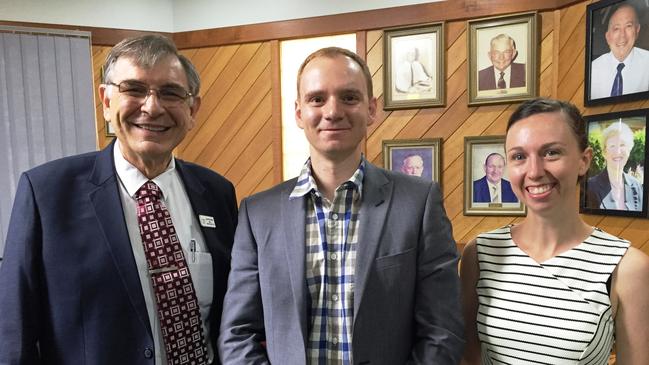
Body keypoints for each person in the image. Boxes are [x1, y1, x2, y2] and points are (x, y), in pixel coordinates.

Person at [0, 35, 238, 364]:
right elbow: (14, 333)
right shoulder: (47, 194)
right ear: (106, 101)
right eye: (134, 89)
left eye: (170, 93)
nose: (152, 107)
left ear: (192, 108)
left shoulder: (216, 192)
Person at [219, 47, 464, 364]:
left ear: (371, 109)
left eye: (349, 97)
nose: (332, 111)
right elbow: (237, 334)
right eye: (317, 99)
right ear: (298, 112)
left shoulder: (419, 203)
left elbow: (443, 332)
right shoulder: (258, 213)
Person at [460, 98, 649, 365]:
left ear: (583, 161)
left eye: (551, 153)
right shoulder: (480, 253)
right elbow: (470, 357)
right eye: (519, 156)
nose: (534, 171)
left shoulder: (627, 267)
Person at [590, 3, 649, 99]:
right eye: (616, 28)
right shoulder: (593, 69)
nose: (622, 35)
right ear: (608, 36)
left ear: (637, 30)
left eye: (628, 26)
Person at [586, 121, 643, 211]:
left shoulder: (637, 186)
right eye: (612, 146)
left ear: (629, 150)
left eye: (622, 145)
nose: (618, 151)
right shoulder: (590, 187)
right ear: (604, 152)